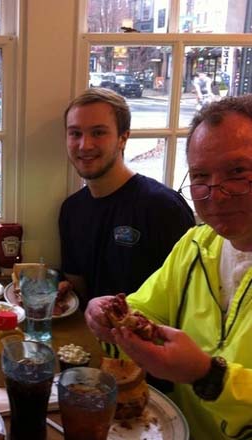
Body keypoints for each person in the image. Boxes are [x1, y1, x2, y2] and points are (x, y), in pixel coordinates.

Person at [85, 95, 252, 440]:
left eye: (238, 172)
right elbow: (144, 311)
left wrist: (208, 376)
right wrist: (108, 318)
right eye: (201, 176)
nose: (216, 194)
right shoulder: (196, 244)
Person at [59, 88, 195, 305]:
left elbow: (188, 296)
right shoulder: (71, 210)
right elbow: (79, 291)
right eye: (75, 133)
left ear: (123, 138)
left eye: (98, 133)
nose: (85, 145)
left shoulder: (163, 207)